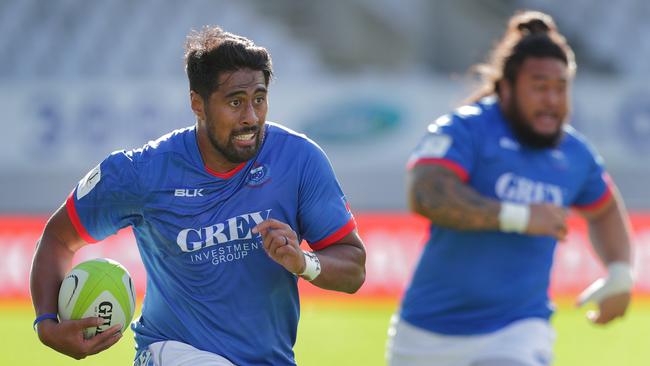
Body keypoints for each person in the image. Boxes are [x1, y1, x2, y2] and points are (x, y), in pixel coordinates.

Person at [30, 26, 366, 365]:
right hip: (171, 352)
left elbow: (354, 269)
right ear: (198, 104)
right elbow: (59, 237)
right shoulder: (141, 172)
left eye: (259, 99)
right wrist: (46, 324)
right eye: (235, 102)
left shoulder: (299, 160)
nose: (251, 117)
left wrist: (303, 262)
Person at [386, 10, 633, 366]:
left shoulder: (574, 154)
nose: (552, 100)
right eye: (539, 87)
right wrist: (518, 216)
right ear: (506, 89)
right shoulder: (465, 129)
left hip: (516, 332)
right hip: (425, 336)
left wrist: (621, 272)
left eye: (561, 88)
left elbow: (605, 209)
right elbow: (426, 193)